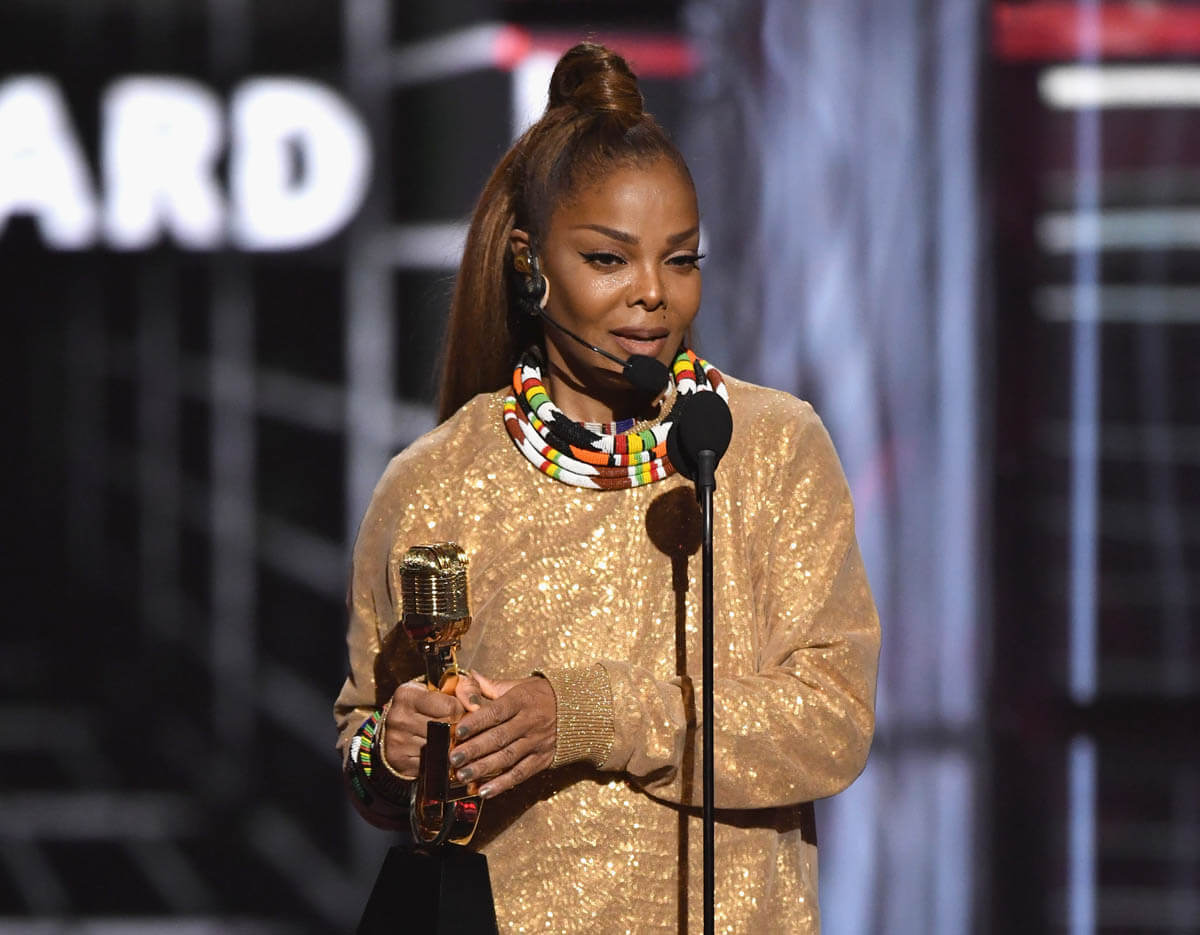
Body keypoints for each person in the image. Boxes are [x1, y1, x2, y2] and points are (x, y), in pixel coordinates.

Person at [334, 42, 879, 934]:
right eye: (608, 259)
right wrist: (393, 754)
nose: (653, 296)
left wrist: (589, 713)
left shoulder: (772, 447)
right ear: (528, 261)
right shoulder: (436, 481)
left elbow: (831, 723)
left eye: (682, 258)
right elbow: (365, 743)